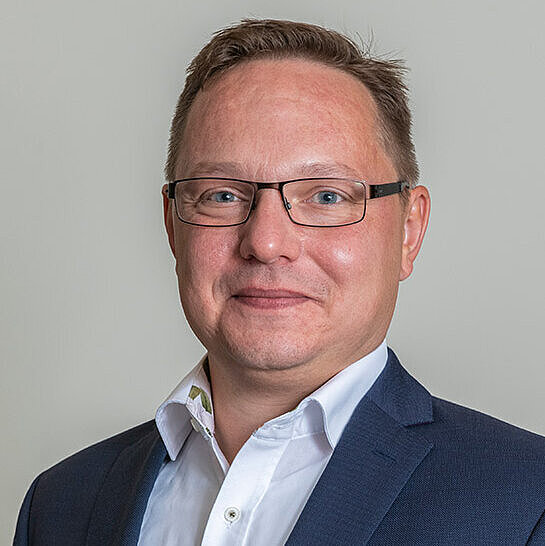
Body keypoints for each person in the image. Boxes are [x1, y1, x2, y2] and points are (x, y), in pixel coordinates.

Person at [14, 18, 545, 546]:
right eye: (222, 195)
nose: (266, 242)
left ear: (409, 230)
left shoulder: (527, 502)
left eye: (327, 196)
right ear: (173, 225)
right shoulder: (60, 506)